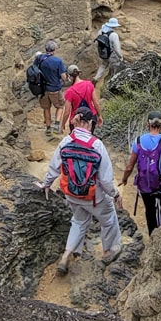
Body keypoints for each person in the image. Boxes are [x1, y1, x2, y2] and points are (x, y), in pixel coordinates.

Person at [40, 108, 123, 274]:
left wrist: (46, 184)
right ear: (90, 123)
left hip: (72, 195)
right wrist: (115, 194)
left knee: (78, 222)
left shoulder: (65, 142)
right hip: (94, 197)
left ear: (76, 122)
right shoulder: (97, 145)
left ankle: (65, 257)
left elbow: (54, 168)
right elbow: (106, 180)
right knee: (108, 220)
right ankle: (109, 251)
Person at [120, 111, 161, 236]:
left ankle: (152, 239)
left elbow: (129, 166)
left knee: (150, 213)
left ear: (147, 124)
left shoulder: (138, 141)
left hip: (145, 186)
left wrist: (124, 179)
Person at [35, 40, 67, 134]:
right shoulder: (58, 61)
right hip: (55, 88)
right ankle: (57, 125)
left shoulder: (39, 58)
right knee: (60, 106)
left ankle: (48, 128)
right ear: (54, 50)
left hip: (43, 89)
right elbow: (63, 76)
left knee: (46, 108)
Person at [93, 17, 124, 83]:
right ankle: (110, 82)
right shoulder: (114, 35)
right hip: (112, 55)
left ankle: (95, 79)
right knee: (114, 69)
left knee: (103, 65)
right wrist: (120, 57)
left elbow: (96, 43)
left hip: (104, 53)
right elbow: (117, 48)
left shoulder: (100, 31)